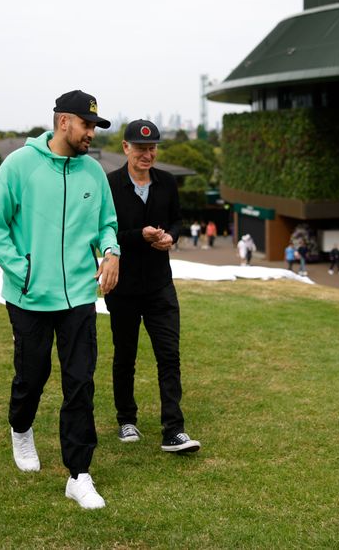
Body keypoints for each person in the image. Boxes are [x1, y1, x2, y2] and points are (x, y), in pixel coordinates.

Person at [0, 89, 120, 511]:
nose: (92, 133)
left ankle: (79, 475)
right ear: (63, 122)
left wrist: (112, 252)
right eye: (87, 125)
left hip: (78, 294)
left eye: (95, 126)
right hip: (29, 296)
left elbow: (107, 223)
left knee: (80, 381)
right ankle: (20, 428)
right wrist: (20, 269)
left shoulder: (92, 173)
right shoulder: (20, 165)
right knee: (32, 375)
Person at [105, 119, 201, 456]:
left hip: (160, 285)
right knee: (125, 355)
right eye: (141, 147)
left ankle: (173, 430)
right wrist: (139, 237)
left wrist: (171, 236)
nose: (148, 154)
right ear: (126, 148)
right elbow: (104, 233)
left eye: (153, 147)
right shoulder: (111, 185)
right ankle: (126, 419)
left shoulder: (167, 183)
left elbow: (176, 220)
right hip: (124, 286)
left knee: (169, 355)